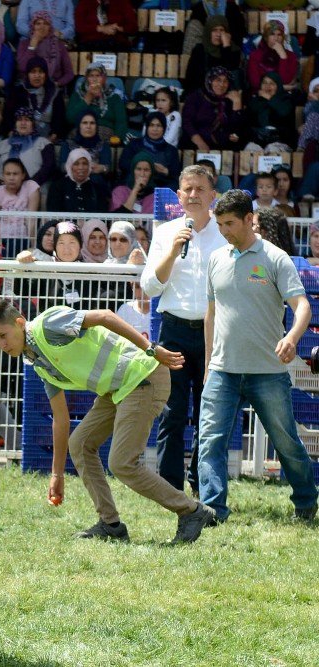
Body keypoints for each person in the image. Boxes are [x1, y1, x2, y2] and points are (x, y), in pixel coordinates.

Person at [0, 299, 215, 543]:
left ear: (20, 323)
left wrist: (151, 348)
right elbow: (60, 420)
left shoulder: (48, 324)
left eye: (3, 335)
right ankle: (110, 524)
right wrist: (57, 475)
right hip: (118, 389)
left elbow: (105, 316)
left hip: (143, 376)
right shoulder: (36, 360)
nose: (2, 345)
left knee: (122, 463)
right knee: (80, 443)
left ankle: (191, 511)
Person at [199, 189, 318, 523]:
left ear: (250, 219)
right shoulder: (216, 258)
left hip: (267, 371)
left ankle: (307, 501)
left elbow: (302, 306)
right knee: (210, 442)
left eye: (230, 223)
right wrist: (208, 362)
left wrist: (293, 337)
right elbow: (210, 314)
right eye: (219, 224)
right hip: (222, 370)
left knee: (287, 443)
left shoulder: (276, 258)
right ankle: (212, 510)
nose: (224, 230)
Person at [140, 164, 228, 497]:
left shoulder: (225, 233)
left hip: (215, 332)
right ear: (178, 196)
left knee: (209, 412)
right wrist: (174, 251)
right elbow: (149, 286)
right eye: (187, 189)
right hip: (174, 330)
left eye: (199, 189)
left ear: (212, 196)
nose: (192, 195)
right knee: (172, 413)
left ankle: (202, 484)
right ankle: (169, 488)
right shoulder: (166, 233)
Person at [181, 67, 244, 151]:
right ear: (210, 81)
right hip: (195, 145)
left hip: (221, 146)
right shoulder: (196, 97)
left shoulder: (229, 100)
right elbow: (187, 123)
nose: (222, 84)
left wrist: (237, 103)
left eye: (225, 81)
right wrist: (200, 143)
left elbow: (236, 129)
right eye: (218, 80)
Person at [0, 158, 40, 258]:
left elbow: (31, 220)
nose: (11, 178)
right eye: (8, 174)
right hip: (3, 239)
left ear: (23, 175)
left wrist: (34, 246)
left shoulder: (31, 186)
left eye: (15, 174)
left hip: (24, 239)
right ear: (3, 176)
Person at [4, 56, 66, 141]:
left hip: (47, 138)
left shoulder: (54, 92)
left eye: (41, 72)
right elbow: (8, 115)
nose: (37, 76)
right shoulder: (18, 92)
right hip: (21, 136)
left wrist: (52, 137)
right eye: (33, 72)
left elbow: (59, 119)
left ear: (46, 74)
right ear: (28, 74)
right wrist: (12, 132)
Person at [118, 111, 181, 191]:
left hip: (160, 183)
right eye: (151, 125)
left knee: (174, 186)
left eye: (159, 126)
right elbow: (123, 164)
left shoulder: (171, 150)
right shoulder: (134, 144)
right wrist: (142, 168)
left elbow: (176, 174)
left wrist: (165, 171)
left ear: (164, 129)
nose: (155, 129)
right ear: (147, 127)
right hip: (136, 180)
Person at [183, 16, 242, 100]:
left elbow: (230, 71)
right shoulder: (200, 50)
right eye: (214, 30)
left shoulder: (234, 50)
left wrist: (226, 47)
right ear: (208, 32)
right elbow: (191, 78)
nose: (218, 34)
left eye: (222, 30)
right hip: (202, 95)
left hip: (224, 95)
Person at [0, 107, 56, 188]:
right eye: (19, 119)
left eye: (27, 120)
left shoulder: (43, 143)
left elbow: (49, 167)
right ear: (15, 123)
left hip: (34, 189)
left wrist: (31, 185)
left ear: (33, 123)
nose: (23, 123)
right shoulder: (2, 144)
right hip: (4, 190)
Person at [65, 63, 127, 142]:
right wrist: (87, 99)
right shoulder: (77, 95)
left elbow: (121, 122)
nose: (94, 79)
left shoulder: (114, 97)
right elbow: (70, 119)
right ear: (86, 78)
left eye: (98, 76)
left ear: (104, 78)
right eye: (91, 76)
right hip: (81, 133)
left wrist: (117, 137)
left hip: (106, 134)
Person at [14, 11, 74, 88]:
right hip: (29, 87)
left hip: (53, 87)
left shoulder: (59, 45)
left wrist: (57, 84)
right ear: (33, 26)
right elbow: (22, 67)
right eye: (38, 23)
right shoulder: (24, 44)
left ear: (50, 27)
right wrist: (32, 46)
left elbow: (69, 73)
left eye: (46, 23)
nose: (42, 27)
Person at [45, 148, 109, 214]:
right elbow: (53, 214)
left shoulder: (97, 188)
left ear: (89, 166)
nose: (81, 167)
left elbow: (102, 215)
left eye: (84, 163)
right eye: (76, 164)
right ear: (70, 166)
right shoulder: (57, 187)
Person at [59, 111, 111, 184]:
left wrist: (101, 168)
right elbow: (62, 167)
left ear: (96, 126)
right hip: (72, 181)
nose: (88, 126)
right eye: (84, 123)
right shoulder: (68, 144)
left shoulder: (103, 145)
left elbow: (107, 167)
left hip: (95, 182)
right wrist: (79, 168)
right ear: (79, 126)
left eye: (92, 123)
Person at [247, 20, 298, 93]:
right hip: (261, 95)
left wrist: (283, 57)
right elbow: (255, 83)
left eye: (279, 34)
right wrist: (281, 87)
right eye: (272, 34)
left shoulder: (291, 56)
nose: (276, 38)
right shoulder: (255, 56)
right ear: (266, 37)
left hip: (283, 96)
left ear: (283, 37)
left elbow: (286, 80)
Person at [247, 72, 296, 148]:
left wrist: (269, 98)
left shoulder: (286, 99)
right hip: (258, 140)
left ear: (278, 86)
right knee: (251, 148)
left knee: (272, 149)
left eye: (272, 83)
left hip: (281, 140)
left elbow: (284, 112)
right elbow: (250, 118)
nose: (267, 86)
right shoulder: (255, 100)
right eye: (264, 83)